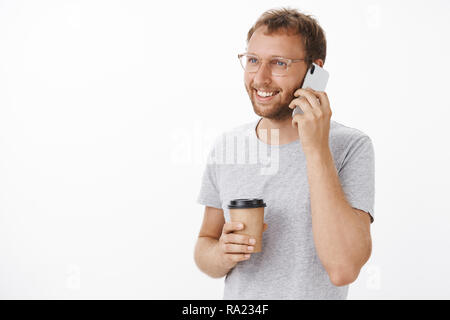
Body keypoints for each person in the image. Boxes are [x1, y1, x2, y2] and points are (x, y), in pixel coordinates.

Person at [194, 7, 375, 300]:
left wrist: (316, 149)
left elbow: (343, 269)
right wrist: (222, 254)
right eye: (252, 60)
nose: (260, 78)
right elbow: (205, 244)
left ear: (314, 71)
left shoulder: (351, 146)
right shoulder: (227, 145)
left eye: (279, 63)